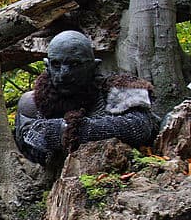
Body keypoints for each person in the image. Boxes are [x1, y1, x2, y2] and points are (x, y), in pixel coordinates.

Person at [14, 30, 158, 165]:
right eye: (56, 64)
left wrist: (65, 131)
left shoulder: (120, 88)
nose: (64, 74)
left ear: (94, 66)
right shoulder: (31, 103)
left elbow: (139, 127)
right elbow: (31, 152)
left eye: (75, 64)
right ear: (47, 65)